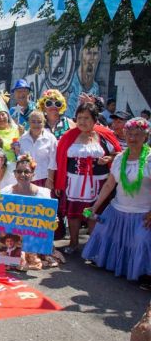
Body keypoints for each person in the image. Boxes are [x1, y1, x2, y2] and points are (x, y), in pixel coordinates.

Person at [82, 117, 151, 287]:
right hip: (117, 209)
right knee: (103, 231)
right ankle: (106, 261)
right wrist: (95, 207)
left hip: (143, 213)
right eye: (130, 134)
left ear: (146, 137)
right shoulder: (120, 158)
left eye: (137, 135)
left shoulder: (150, 159)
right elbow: (109, 184)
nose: (133, 138)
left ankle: (145, 274)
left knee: (141, 241)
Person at [55, 102, 122, 254]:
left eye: (86, 118)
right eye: (79, 118)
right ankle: (73, 243)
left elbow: (119, 154)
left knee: (93, 214)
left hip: (97, 184)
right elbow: (59, 160)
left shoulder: (104, 135)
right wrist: (59, 182)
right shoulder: (69, 136)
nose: (82, 121)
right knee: (74, 214)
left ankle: (93, 246)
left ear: (94, 119)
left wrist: (109, 159)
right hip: (75, 183)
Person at [0, 154, 64, 269]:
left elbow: (49, 223)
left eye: (26, 171)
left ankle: (22, 256)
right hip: (12, 234)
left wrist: (53, 222)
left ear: (33, 174)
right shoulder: (6, 191)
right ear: (14, 174)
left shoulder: (43, 193)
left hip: (33, 235)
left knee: (29, 258)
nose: (22, 175)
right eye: (19, 171)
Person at [18, 111, 57, 187]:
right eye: (33, 121)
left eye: (39, 122)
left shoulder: (51, 138)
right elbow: (20, 159)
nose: (36, 124)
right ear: (29, 122)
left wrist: (50, 179)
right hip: (26, 179)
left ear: (43, 123)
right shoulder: (22, 139)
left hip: (44, 179)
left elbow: (53, 161)